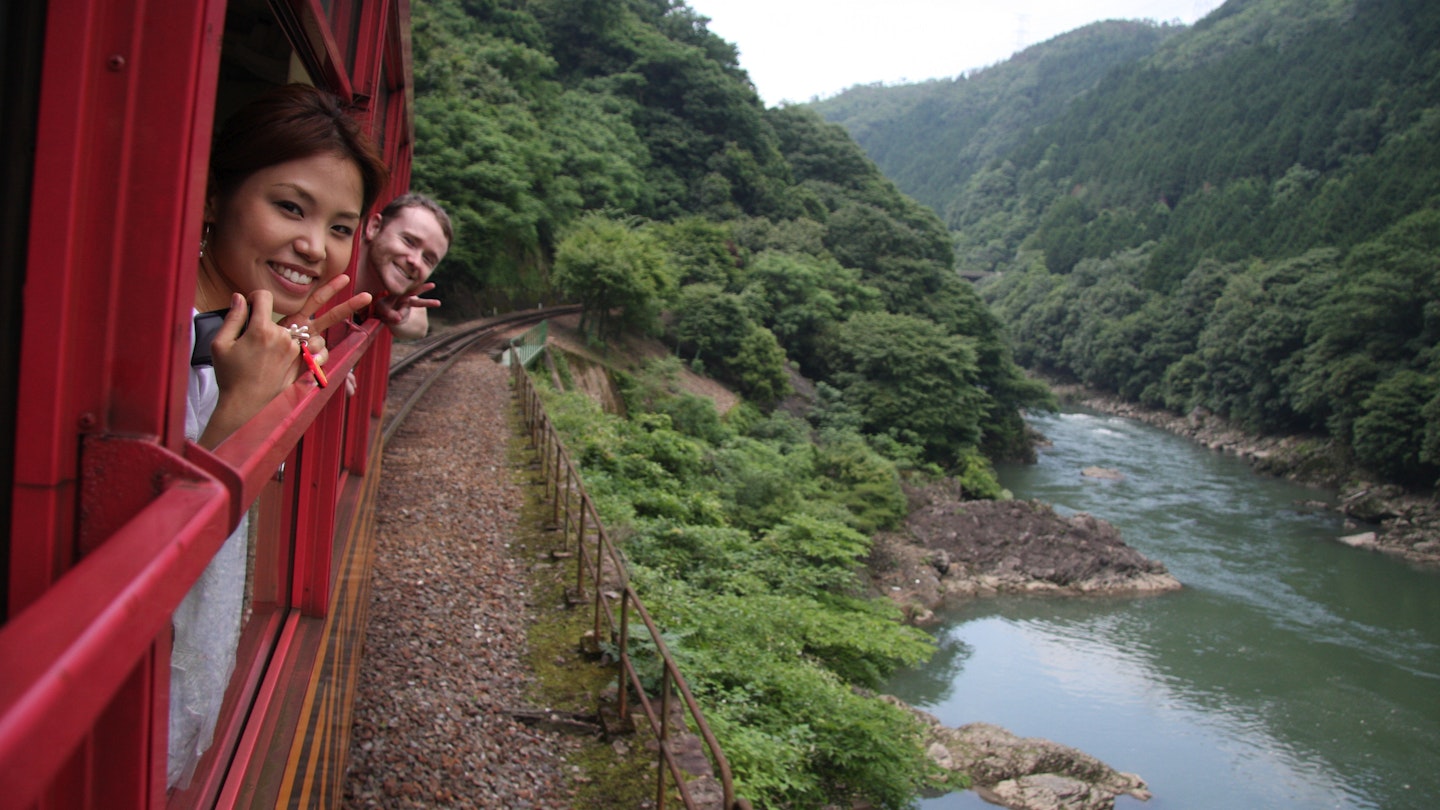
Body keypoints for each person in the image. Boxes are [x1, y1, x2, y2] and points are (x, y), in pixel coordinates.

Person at [170, 83, 389, 789]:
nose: (315, 247)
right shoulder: (153, 345)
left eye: (339, 227)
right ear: (211, 198)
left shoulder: (243, 334)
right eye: (290, 207)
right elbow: (143, 553)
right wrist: (244, 405)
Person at [355, 192, 452, 340]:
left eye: (428, 259)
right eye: (409, 241)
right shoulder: (323, 268)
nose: (416, 261)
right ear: (374, 227)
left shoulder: (386, 293)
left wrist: (394, 315)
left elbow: (420, 328)